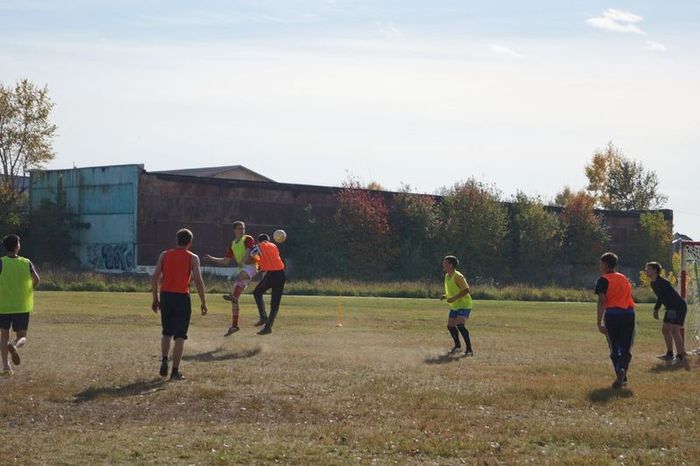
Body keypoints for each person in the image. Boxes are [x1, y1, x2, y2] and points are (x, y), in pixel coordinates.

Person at [151, 228, 208, 380]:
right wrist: (203, 302)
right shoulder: (192, 258)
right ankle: (175, 371)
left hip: (166, 296)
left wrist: (155, 298)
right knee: (180, 336)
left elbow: (155, 278)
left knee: (166, 332)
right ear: (190, 242)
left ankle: (164, 359)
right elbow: (198, 281)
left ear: (176, 240)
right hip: (182, 297)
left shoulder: (164, 255)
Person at [205, 221, 259, 336]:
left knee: (238, 279)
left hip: (251, 267)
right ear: (234, 230)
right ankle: (234, 326)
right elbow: (226, 261)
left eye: (243, 228)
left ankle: (234, 296)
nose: (242, 230)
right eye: (239, 228)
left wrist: (242, 261)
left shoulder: (248, 239)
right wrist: (211, 258)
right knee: (234, 301)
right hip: (242, 269)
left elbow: (248, 252)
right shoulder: (232, 244)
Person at [0, 235, 40, 376]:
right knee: (22, 336)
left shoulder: (1, 262)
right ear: (17, 246)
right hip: (21, 305)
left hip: (3, 305)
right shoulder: (26, 262)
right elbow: (36, 279)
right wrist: (30, 290)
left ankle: (6, 367)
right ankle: (14, 345)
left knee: (4, 336)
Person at [594, 252, 635, 389]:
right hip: (629, 313)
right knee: (626, 346)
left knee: (614, 346)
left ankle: (620, 371)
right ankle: (623, 371)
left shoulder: (603, 280)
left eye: (601, 263)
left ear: (605, 264)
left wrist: (599, 322)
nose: (600, 266)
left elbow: (602, 301)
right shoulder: (623, 278)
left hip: (613, 314)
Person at [645, 261, 687, 361]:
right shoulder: (653, 283)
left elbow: (673, 297)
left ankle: (680, 356)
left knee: (674, 331)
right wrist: (656, 309)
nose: (646, 270)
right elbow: (660, 297)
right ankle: (669, 354)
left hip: (679, 307)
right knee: (665, 330)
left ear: (655, 270)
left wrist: (673, 310)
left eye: (648, 268)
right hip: (671, 308)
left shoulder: (664, 282)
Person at [251, 234, 286, 335]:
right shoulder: (274, 246)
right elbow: (272, 261)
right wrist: (260, 270)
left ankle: (263, 317)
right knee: (275, 303)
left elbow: (253, 254)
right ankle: (268, 328)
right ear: (268, 240)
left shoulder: (259, 246)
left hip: (272, 274)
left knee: (257, 292)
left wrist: (256, 262)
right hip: (282, 274)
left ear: (259, 241)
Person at [440, 255, 473, 356]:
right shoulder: (447, 276)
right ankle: (458, 346)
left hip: (464, 305)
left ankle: (469, 350)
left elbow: (466, 290)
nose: (443, 264)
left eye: (445, 263)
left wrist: (454, 298)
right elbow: (452, 290)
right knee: (450, 326)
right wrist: (446, 296)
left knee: (460, 325)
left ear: (451, 265)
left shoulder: (458, 276)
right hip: (455, 306)